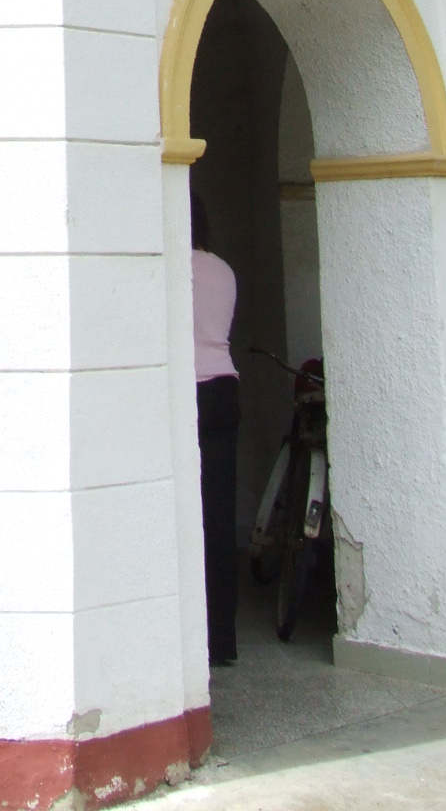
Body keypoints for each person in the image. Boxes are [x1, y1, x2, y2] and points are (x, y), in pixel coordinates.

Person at [192, 194, 239, 666]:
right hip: (225, 387)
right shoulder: (223, 270)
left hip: (187, 391)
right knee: (220, 516)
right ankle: (223, 640)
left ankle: (190, 636)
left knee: (183, 516)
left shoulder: (171, 269)